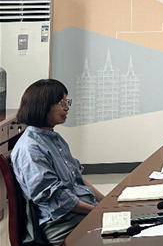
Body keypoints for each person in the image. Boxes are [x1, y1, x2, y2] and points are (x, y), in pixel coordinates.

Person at [11, 79, 105, 246]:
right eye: (62, 103)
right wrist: (98, 212)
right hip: (63, 224)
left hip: (80, 213)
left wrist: (107, 202)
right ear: (43, 105)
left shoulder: (53, 138)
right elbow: (58, 200)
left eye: (67, 102)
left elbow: (78, 179)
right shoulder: (30, 148)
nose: (67, 108)